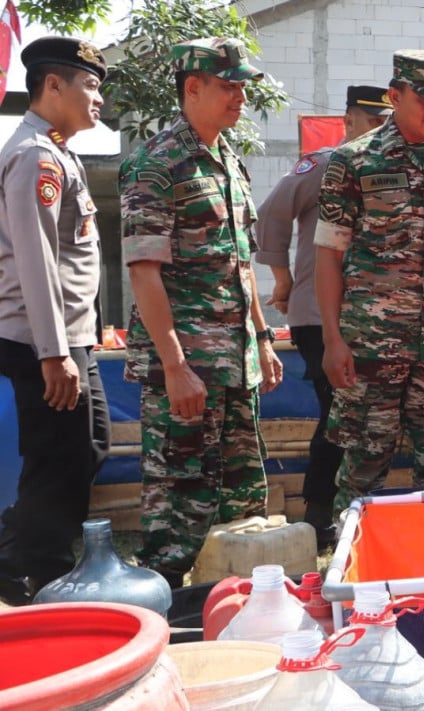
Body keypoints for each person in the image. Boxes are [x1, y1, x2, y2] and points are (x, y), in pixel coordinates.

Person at [122, 38, 284, 589]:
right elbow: (143, 271)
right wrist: (173, 367)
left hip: (234, 366)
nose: (240, 96)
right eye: (228, 85)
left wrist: (262, 337)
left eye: (242, 85)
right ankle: (163, 629)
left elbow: (239, 263)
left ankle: (236, 621)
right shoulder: (158, 162)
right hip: (187, 370)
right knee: (178, 511)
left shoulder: (228, 160)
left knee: (244, 509)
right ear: (192, 89)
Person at [314, 50, 424, 505]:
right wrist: (333, 339)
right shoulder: (353, 161)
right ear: (395, 96)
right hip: (370, 346)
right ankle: (349, 564)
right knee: (363, 466)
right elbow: (328, 255)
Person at [255, 85, 391, 545]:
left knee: (369, 415)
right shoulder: (325, 163)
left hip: (375, 315)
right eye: (372, 123)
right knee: (339, 412)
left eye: (386, 124)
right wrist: (281, 278)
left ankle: (353, 511)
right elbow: (271, 213)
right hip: (320, 315)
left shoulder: (392, 170)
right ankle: (319, 513)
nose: (379, 132)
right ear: (348, 121)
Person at [0, 37, 110, 606]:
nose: (99, 97)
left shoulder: (58, 150)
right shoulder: (34, 157)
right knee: (60, 453)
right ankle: (39, 580)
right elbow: (35, 258)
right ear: (53, 86)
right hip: (45, 342)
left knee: (84, 448)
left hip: (67, 338)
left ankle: (22, 553)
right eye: (90, 85)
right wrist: (54, 353)